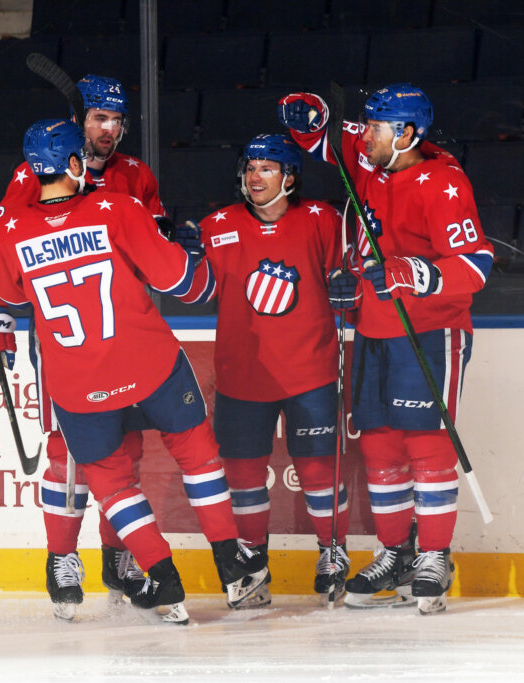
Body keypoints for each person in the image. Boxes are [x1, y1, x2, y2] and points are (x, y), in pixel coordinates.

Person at [0, 118, 268, 624]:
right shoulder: (116, 207)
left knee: (112, 486)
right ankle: (231, 564)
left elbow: (6, 295)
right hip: (149, 364)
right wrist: (194, 256)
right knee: (197, 455)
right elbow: (184, 282)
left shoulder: (5, 230)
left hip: (77, 381)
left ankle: (164, 577)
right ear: (74, 162)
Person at [278, 84, 494, 614]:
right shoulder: (371, 158)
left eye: (375, 128)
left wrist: (417, 272)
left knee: (425, 445)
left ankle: (435, 555)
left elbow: (477, 264)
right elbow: (322, 136)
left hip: (429, 330)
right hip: (371, 330)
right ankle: (395, 552)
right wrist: (308, 116)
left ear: (407, 134)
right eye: (367, 126)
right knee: (378, 447)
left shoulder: (443, 184)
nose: (365, 135)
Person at [0, 75, 169, 621]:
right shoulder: (31, 174)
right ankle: (61, 558)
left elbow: (154, 248)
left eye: (116, 120)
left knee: (126, 450)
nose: (107, 129)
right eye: (97, 118)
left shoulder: (136, 176)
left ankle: (118, 559)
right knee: (65, 449)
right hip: (64, 338)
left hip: (126, 334)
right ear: (78, 122)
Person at [173, 134, 350, 606]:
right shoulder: (217, 225)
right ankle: (252, 564)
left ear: (290, 177)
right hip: (241, 374)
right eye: (250, 167)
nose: (255, 176)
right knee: (244, 476)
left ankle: (333, 551)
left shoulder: (321, 219)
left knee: (318, 469)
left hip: (309, 371)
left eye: (268, 168)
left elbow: (344, 285)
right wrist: (185, 258)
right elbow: (193, 291)